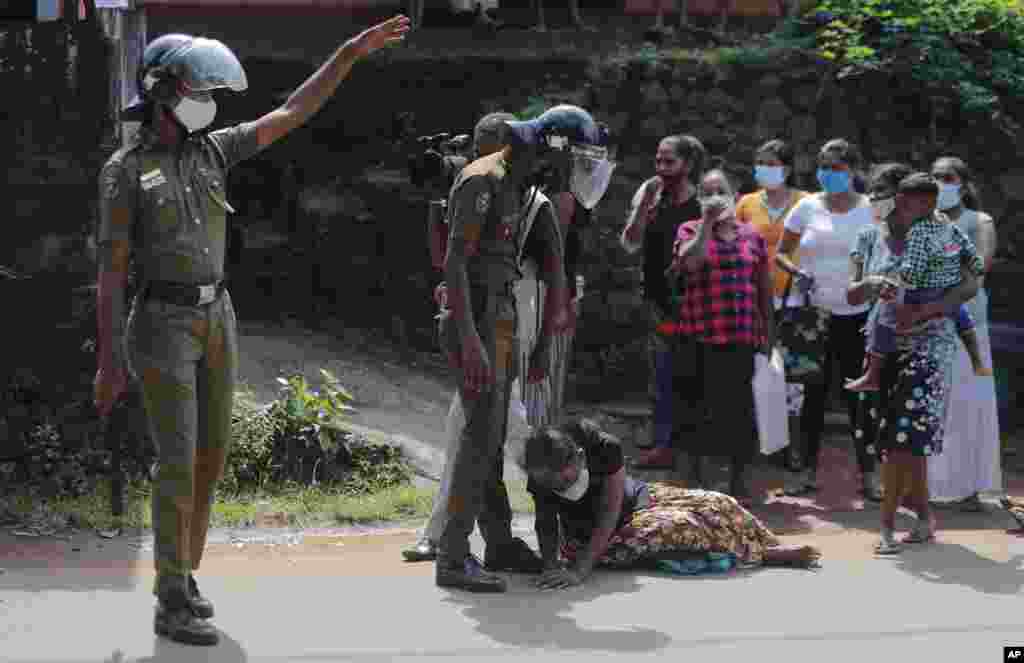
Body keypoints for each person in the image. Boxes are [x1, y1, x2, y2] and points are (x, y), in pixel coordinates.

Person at [92, 17, 411, 646]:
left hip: (218, 317)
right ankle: (170, 594)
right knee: (178, 463)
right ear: (160, 90)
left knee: (211, 460)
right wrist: (108, 361)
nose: (207, 103)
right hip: (162, 321)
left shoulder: (215, 150)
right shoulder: (125, 171)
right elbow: (109, 275)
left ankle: (185, 574)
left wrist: (347, 53)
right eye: (195, 89)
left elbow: (293, 111)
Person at [434, 104, 613, 593]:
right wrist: (471, 340)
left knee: (488, 438)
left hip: (503, 321)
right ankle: (452, 557)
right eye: (574, 159)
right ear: (553, 146)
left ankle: (498, 543)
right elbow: (455, 265)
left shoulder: (519, 183)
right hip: (479, 322)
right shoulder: (482, 178)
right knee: (478, 441)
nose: (574, 173)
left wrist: (530, 349)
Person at [847, 172, 983, 555]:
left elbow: (971, 282)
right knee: (903, 439)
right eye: (875, 195)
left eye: (883, 194)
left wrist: (930, 308)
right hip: (883, 343)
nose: (878, 201)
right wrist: (873, 283)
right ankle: (923, 519)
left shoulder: (941, 231)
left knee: (903, 436)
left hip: (930, 344)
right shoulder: (868, 237)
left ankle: (887, 528)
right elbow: (852, 294)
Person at [520, 418, 821, 590]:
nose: (557, 487)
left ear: (581, 457)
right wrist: (554, 566)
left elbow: (611, 508)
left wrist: (582, 571)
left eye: (564, 479)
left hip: (632, 502)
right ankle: (762, 554)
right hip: (595, 538)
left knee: (717, 502)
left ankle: (768, 543)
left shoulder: (604, 447)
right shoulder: (541, 468)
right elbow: (545, 522)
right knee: (680, 526)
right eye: (552, 484)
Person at [776, 139, 879, 500]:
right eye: (822, 166)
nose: (827, 174)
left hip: (859, 317)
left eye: (835, 167)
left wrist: (872, 284)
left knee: (860, 398)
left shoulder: (871, 210)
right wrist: (797, 272)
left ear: (853, 171)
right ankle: (805, 472)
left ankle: (870, 475)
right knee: (813, 398)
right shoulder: (806, 207)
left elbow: (884, 255)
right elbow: (781, 253)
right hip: (813, 317)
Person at [666, 169, 775, 505]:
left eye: (720, 191)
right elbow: (690, 265)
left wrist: (768, 335)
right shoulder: (689, 231)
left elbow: (763, 291)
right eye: (707, 192)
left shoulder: (751, 236)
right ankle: (696, 484)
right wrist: (705, 227)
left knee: (740, 413)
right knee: (696, 411)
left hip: (740, 339)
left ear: (734, 195)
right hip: (698, 337)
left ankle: (739, 482)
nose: (714, 197)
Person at [620, 135, 704, 469]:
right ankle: (665, 443)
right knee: (662, 372)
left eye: (669, 162)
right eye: (658, 161)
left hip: (693, 301)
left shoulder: (701, 203)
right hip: (658, 301)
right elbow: (629, 242)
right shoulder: (650, 195)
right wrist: (644, 206)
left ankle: (687, 444)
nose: (661, 168)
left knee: (691, 373)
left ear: (688, 165)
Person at [927, 156, 1003, 510]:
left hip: (968, 325)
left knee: (969, 405)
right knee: (933, 404)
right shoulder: (924, 223)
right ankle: (930, 484)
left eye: (948, 177)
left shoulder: (980, 221)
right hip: (928, 325)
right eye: (935, 177)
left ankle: (971, 486)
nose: (941, 182)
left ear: (963, 182)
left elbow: (981, 265)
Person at [736, 139, 810, 432]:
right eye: (761, 163)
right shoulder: (746, 203)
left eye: (772, 163)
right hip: (753, 296)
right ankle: (758, 431)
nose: (764, 169)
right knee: (756, 364)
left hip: (794, 296)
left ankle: (791, 437)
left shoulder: (806, 201)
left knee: (794, 368)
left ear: (788, 169)